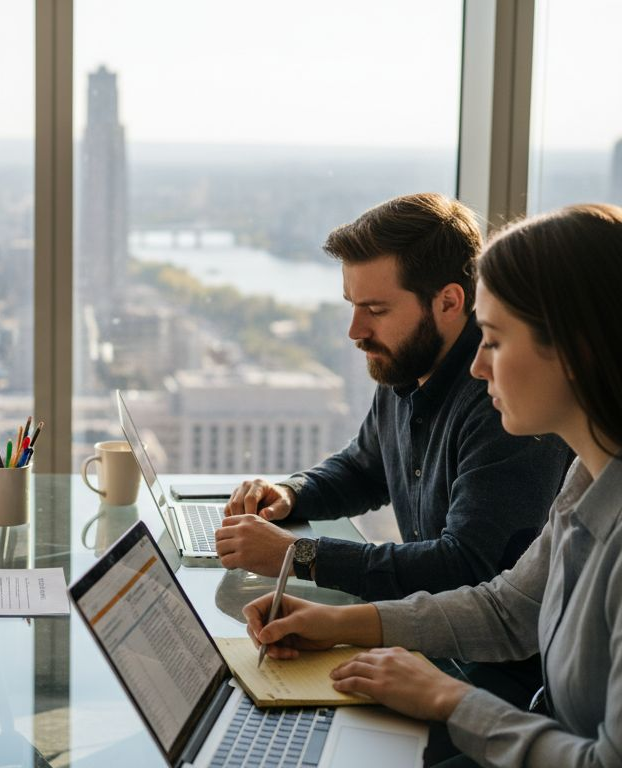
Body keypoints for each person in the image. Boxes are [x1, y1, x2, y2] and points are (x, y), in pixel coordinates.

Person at [245, 204, 622, 767]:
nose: (478, 366)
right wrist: (339, 623)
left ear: (577, 350)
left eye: (494, 340)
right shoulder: (586, 478)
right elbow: (508, 610)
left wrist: (450, 699)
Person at [215, 193, 571, 603]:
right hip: (429, 621)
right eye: (353, 305)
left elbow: (467, 568)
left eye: (376, 310)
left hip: (493, 640)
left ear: (448, 302)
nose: (355, 331)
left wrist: (301, 555)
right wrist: (291, 493)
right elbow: (365, 468)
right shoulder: (407, 361)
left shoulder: (503, 400)